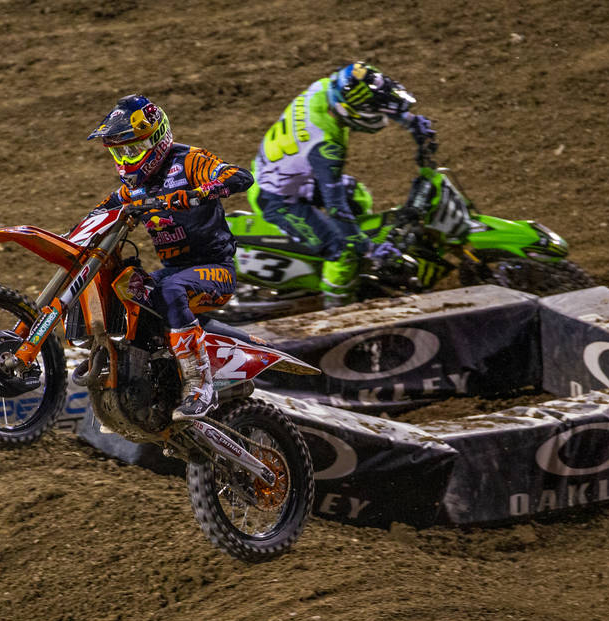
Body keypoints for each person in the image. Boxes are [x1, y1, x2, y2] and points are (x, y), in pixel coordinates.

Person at [88, 93, 253, 419]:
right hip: (175, 270)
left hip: (214, 268)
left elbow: (240, 176)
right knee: (128, 288)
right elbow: (99, 213)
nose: (125, 158)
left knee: (170, 290)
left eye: (132, 149)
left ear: (156, 140)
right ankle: (145, 375)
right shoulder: (134, 189)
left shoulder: (188, 161)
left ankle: (200, 385)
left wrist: (197, 193)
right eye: (120, 152)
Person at [251, 61, 437, 308]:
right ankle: (337, 311)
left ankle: (347, 268)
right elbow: (336, 207)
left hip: (287, 172)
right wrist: (369, 250)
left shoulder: (325, 87)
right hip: (277, 199)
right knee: (343, 250)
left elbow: (365, 98)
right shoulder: (327, 146)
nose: (378, 115)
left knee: (359, 198)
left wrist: (409, 119)